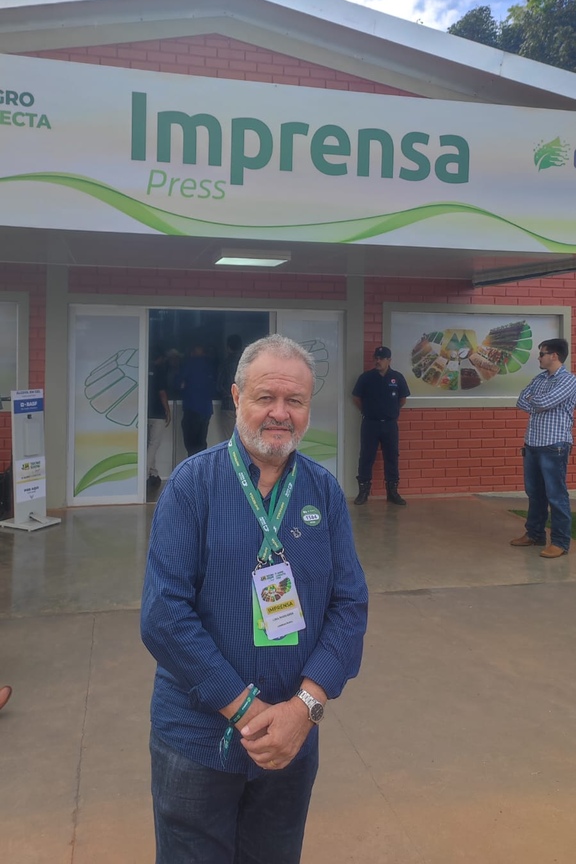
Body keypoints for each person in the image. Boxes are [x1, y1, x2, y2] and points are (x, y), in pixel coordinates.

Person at [141, 334, 368, 864]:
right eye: (267, 397)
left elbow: (349, 605)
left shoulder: (324, 491)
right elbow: (164, 616)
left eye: (295, 401)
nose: (280, 413)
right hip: (198, 741)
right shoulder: (191, 486)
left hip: (290, 740)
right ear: (237, 396)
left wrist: (305, 708)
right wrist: (246, 709)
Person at [511, 338, 576, 558]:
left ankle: (560, 542)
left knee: (556, 495)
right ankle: (535, 534)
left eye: (541, 354)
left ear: (554, 356)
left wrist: (536, 401)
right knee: (535, 493)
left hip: (554, 446)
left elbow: (544, 402)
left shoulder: (568, 380)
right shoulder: (540, 378)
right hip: (532, 444)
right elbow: (521, 400)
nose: (539, 358)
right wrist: (536, 401)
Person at [352, 345, 410, 506]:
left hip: (390, 425)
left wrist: (391, 411)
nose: (378, 361)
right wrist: (367, 411)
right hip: (370, 424)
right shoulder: (366, 378)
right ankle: (363, 492)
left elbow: (402, 399)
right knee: (366, 457)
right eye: (376, 358)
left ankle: (392, 493)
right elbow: (356, 397)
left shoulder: (397, 377)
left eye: (381, 359)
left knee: (392, 457)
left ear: (389, 360)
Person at [178, 343, 217, 457]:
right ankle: (201, 465)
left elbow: (178, 384)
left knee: (191, 443)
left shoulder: (189, 364)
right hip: (206, 409)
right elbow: (215, 387)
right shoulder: (210, 365)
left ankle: (193, 466)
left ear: (192, 352)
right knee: (201, 442)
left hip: (192, 407)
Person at [147, 347, 171, 489]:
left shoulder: (144, 368)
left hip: (144, 414)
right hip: (157, 413)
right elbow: (162, 393)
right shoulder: (159, 371)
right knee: (153, 444)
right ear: (160, 358)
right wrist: (167, 410)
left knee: (149, 445)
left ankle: (153, 473)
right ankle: (144, 473)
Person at [217, 333, 243, 440]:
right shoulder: (248, 364)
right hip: (245, 407)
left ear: (228, 347)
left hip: (228, 407)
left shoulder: (225, 363)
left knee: (230, 439)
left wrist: (228, 395)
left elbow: (219, 386)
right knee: (246, 441)